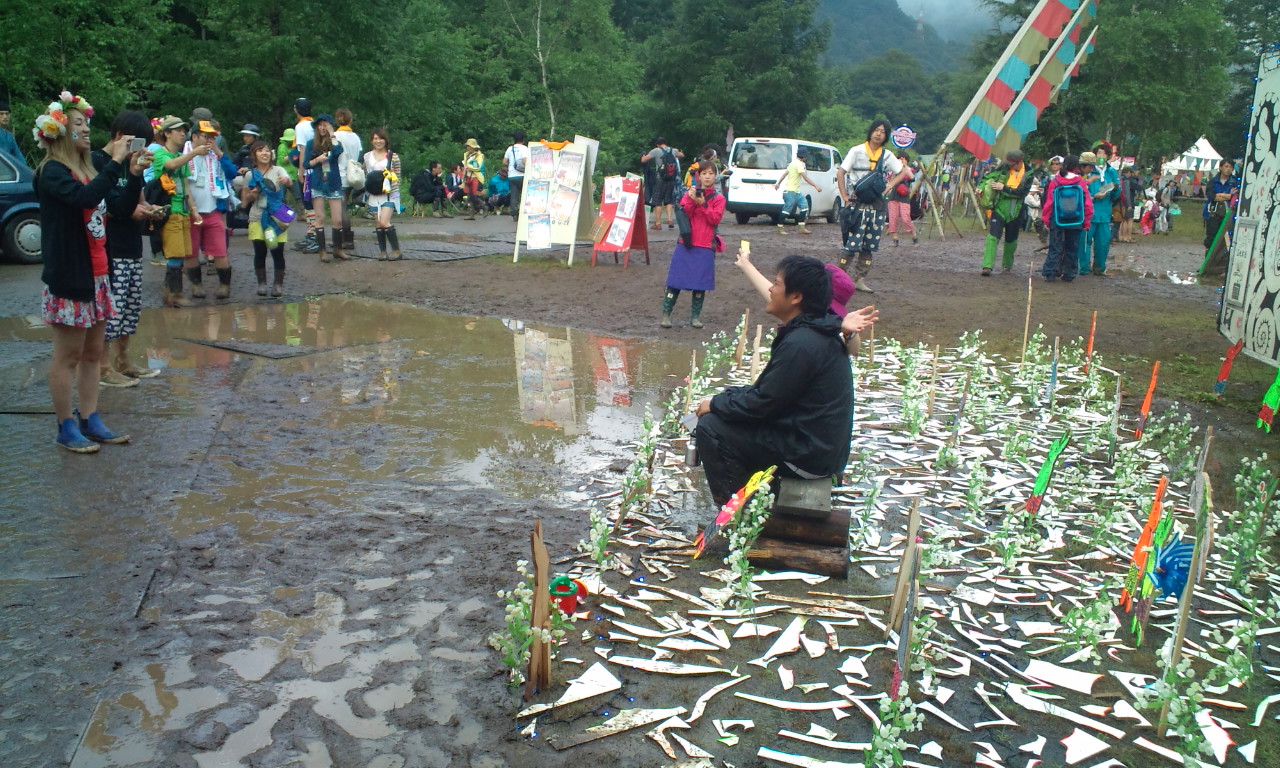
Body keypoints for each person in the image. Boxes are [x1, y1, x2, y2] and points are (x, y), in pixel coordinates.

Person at [692, 254, 875, 507]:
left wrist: (716, 404)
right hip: (816, 446)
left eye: (777, 284)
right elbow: (771, 395)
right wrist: (723, 399)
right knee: (725, 406)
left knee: (712, 427)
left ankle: (741, 514)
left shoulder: (803, 342)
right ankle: (759, 498)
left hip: (808, 455)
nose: (770, 288)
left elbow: (762, 403)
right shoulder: (816, 332)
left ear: (796, 297)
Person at [34, 91, 138, 452]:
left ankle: (91, 418)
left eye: (86, 123)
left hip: (98, 274)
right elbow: (83, 199)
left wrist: (133, 174)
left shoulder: (88, 169)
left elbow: (118, 209)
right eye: (78, 124)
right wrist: (114, 164)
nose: (87, 130)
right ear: (59, 131)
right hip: (70, 276)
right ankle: (66, 427)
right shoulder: (52, 172)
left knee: (94, 353)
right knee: (69, 356)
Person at [93, 110, 163, 388]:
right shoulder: (99, 162)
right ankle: (103, 367)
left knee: (130, 307)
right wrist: (130, 210)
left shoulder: (131, 164)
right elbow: (100, 202)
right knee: (112, 309)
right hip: (111, 247)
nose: (141, 149)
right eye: (137, 142)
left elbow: (139, 198)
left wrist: (149, 209)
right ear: (120, 136)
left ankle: (124, 361)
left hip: (133, 245)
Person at [836, 120, 909, 294]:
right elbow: (841, 171)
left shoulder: (888, 155)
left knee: (870, 244)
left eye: (882, 132)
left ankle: (860, 280)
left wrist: (890, 185)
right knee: (851, 243)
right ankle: (838, 277)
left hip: (877, 204)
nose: (878, 134)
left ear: (886, 136)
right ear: (870, 132)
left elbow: (902, 172)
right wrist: (844, 195)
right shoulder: (856, 150)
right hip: (857, 202)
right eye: (876, 130)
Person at [152, 115, 209, 305]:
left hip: (183, 210)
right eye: (178, 131)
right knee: (175, 253)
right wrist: (194, 153)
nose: (183, 134)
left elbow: (186, 186)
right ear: (167, 134)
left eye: (184, 131)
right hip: (168, 210)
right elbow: (170, 166)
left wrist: (194, 209)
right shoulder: (161, 154)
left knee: (181, 253)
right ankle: (175, 295)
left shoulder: (180, 157)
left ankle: (169, 292)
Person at [660, 164, 724, 329]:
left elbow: (715, 219)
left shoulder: (719, 199)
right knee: (675, 281)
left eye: (711, 173)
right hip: (686, 242)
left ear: (715, 176)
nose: (707, 177)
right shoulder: (689, 193)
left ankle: (695, 317)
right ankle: (666, 315)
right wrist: (691, 199)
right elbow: (683, 212)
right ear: (698, 176)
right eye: (704, 173)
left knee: (700, 283)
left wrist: (703, 204)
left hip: (705, 245)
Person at [186, 120, 238, 299]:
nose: (210, 140)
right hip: (190, 213)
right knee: (191, 251)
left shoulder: (215, 156)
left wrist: (218, 151)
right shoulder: (183, 155)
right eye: (206, 136)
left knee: (220, 250)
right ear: (194, 137)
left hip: (214, 210)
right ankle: (196, 286)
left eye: (213, 137)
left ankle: (224, 286)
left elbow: (232, 173)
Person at [234, 140, 293, 297]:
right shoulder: (250, 175)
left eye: (267, 150)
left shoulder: (278, 170)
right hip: (257, 217)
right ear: (254, 155)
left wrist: (285, 181)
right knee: (260, 252)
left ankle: (278, 285)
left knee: (277, 251)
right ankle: (262, 284)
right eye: (260, 151)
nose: (265, 153)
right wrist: (250, 196)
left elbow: (289, 180)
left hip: (276, 218)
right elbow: (246, 197)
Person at [976, 149, 1034, 277]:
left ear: (1019, 162)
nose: (1008, 166)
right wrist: (980, 188)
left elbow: (1022, 193)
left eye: (1011, 164)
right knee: (993, 236)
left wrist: (1004, 188)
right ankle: (987, 266)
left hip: (1016, 209)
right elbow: (988, 177)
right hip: (1000, 207)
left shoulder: (1029, 173)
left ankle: (1007, 266)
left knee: (1011, 239)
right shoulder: (1003, 167)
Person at [1040, 154, 1092, 282]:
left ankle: (1050, 272)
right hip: (1076, 220)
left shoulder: (1055, 181)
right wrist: (1086, 222)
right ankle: (1069, 273)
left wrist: (1046, 219)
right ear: (1076, 167)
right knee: (1072, 247)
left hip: (1057, 219)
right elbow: (1087, 204)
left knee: (1055, 246)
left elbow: (1049, 203)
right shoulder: (1080, 182)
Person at [302, 114, 346, 262]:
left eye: (325, 125)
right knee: (319, 217)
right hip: (318, 183)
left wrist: (332, 134)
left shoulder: (333, 142)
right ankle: (322, 251)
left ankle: (338, 249)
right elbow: (306, 164)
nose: (322, 128)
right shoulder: (310, 143)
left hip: (333, 182)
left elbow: (339, 151)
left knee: (338, 220)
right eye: (320, 125)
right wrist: (317, 160)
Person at [362, 128, 402, 261]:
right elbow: (365, 174)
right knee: (378, 223)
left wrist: (390, 180)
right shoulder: (367, 157)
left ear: (385, 140)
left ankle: (396, 250)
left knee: (385, 221)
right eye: (375, 138)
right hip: (373, 194)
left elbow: (398, 176)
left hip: (389, 194)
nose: (378, 141)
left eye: (381, 138)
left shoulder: (393, 156)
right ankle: (383, 251)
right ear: (371, 140)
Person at [1078, 151, 1119, 276]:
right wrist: (1093, 196)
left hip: (1105, 213)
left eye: (1104, 153)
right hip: (1088, 214)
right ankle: (1084, 268)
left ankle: (1099, 268)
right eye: (1098, 153)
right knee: (1085, 242)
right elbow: (1080, 190)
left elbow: (1116, 195)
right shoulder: (1087, 171)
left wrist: (1116, 188)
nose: (1101, 156)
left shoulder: (1111, 172)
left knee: (1103, 243)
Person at [773, 146, 821, 236]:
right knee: (786, 210)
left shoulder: (792, 163)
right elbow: (805, 177)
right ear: (804, 156)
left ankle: (801, 227)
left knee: (804, 207)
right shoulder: (799, 164)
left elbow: (784, 174)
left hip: (796, 191)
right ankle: (780, 228)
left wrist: (778, 183)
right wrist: (815, 186)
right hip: (791, 192)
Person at [333, 108, 362, 252]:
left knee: (341, 208)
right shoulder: (356, 137)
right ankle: (344, 238)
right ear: (350, 120)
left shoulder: (335, 136)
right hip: (353, 175)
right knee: (343, 206)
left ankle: (346, 239)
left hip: (339, 175)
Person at [642, 137, 684, 230]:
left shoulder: (656, 150)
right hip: (671, 178)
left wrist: (643, 155)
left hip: (660, 178)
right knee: (669, 200)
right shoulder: (673, 150)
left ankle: (658, 224)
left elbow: (644, 160)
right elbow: (682, 155)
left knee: (657, 201)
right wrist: (676, 154)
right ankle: (670, 220)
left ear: (657, 144)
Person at [884, 153, 917, 247]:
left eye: (904, 159)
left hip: (904, 196)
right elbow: (891, 181)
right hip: (893, 196)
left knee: (905, 217)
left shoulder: (909, 170)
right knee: (893, 217)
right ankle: (895, 239)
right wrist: (897, 169)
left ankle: (914, 236)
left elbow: (912, 178)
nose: (902, 160)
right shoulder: (893, 171)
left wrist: (905, 166)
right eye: (900, 159)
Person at [502, 130, 529, 220]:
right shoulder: (525, 148)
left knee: (514, 195)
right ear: (523, 139)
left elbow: (504, 162)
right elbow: (525, 161)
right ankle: (524, 212)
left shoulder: (510, 149)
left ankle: (514, 213)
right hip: (523, 175)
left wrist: (511, 165)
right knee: (524, 194)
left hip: (512, 176)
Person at [462, 138, 486, 220]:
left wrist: (468, 165)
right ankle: (471, 214)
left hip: (475, 177)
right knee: (469, 196)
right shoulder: (466, 155)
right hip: (468, 176)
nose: (468, 148)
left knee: (474, 195)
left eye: (469, 146)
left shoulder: (479, 156)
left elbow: (477, 167)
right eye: (467, 146)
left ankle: (484, 206)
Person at [0, 99, 27, 167]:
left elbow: (17, 154)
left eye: (7, 114)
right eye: (1, 114)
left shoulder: (9, 136)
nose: (5, 116)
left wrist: (25, 168)